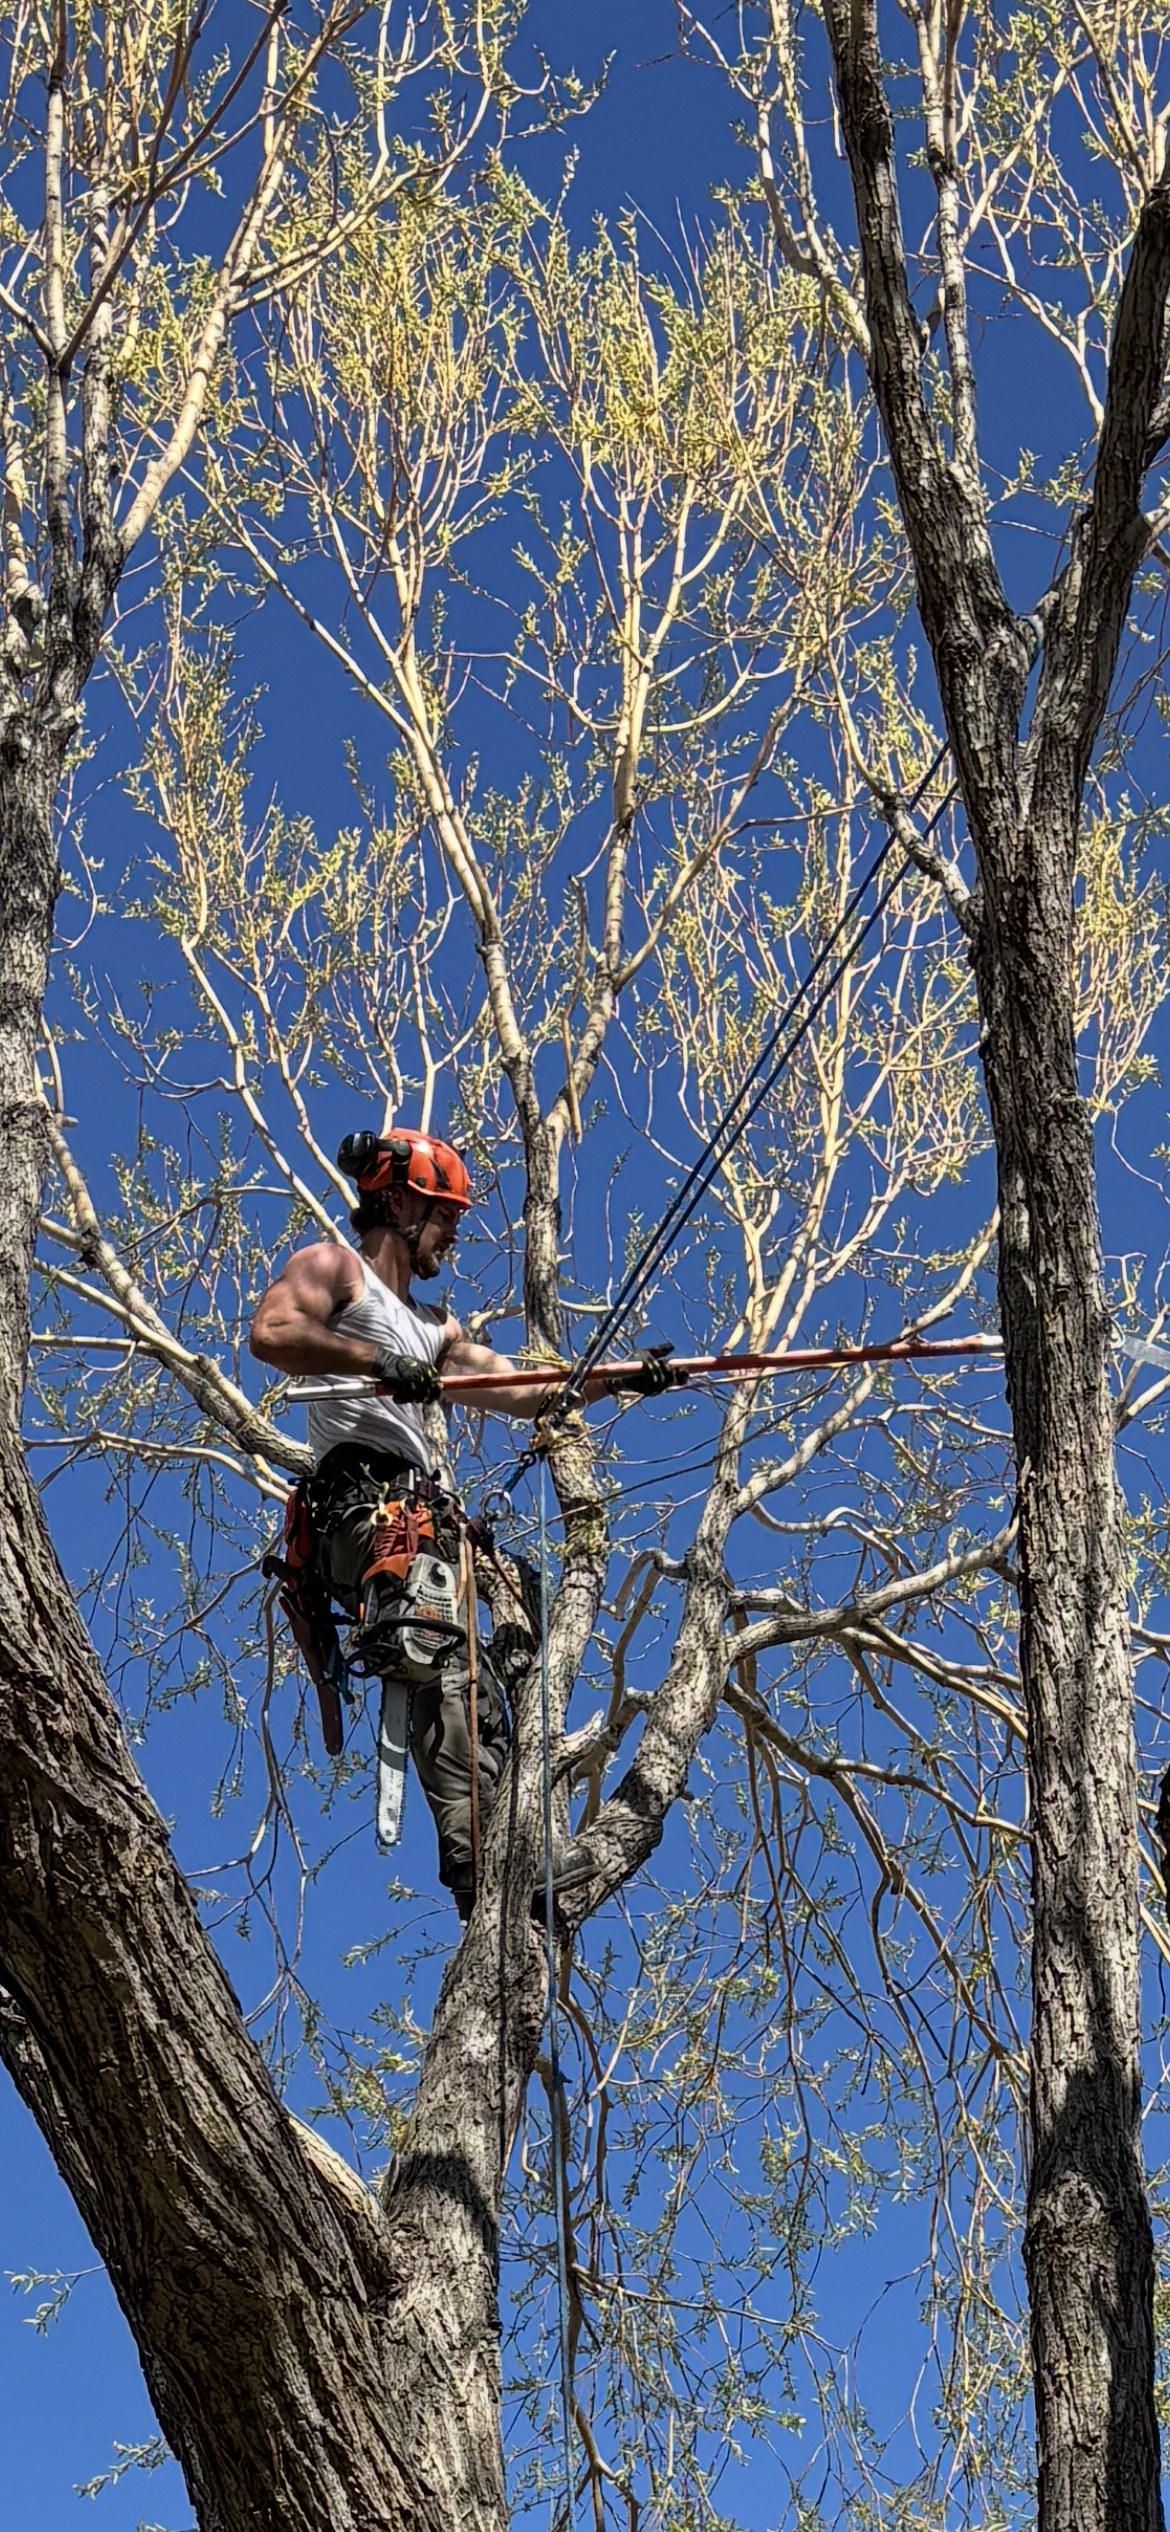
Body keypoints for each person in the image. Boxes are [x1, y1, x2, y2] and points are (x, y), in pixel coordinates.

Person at [249, 1126, 683, 1917]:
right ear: (401, 1201)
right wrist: (380, 1363)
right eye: (444, 1213)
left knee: (470, 1682)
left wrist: (619, 1379)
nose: (454, 1231)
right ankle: (483, 1858)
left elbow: (527, 1388)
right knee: (441, 1653)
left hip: (416, 1522)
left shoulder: (437, 1327)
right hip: (362, 1509)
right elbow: (274, 1335)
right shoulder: (333, 1270)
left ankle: (497, 1863)